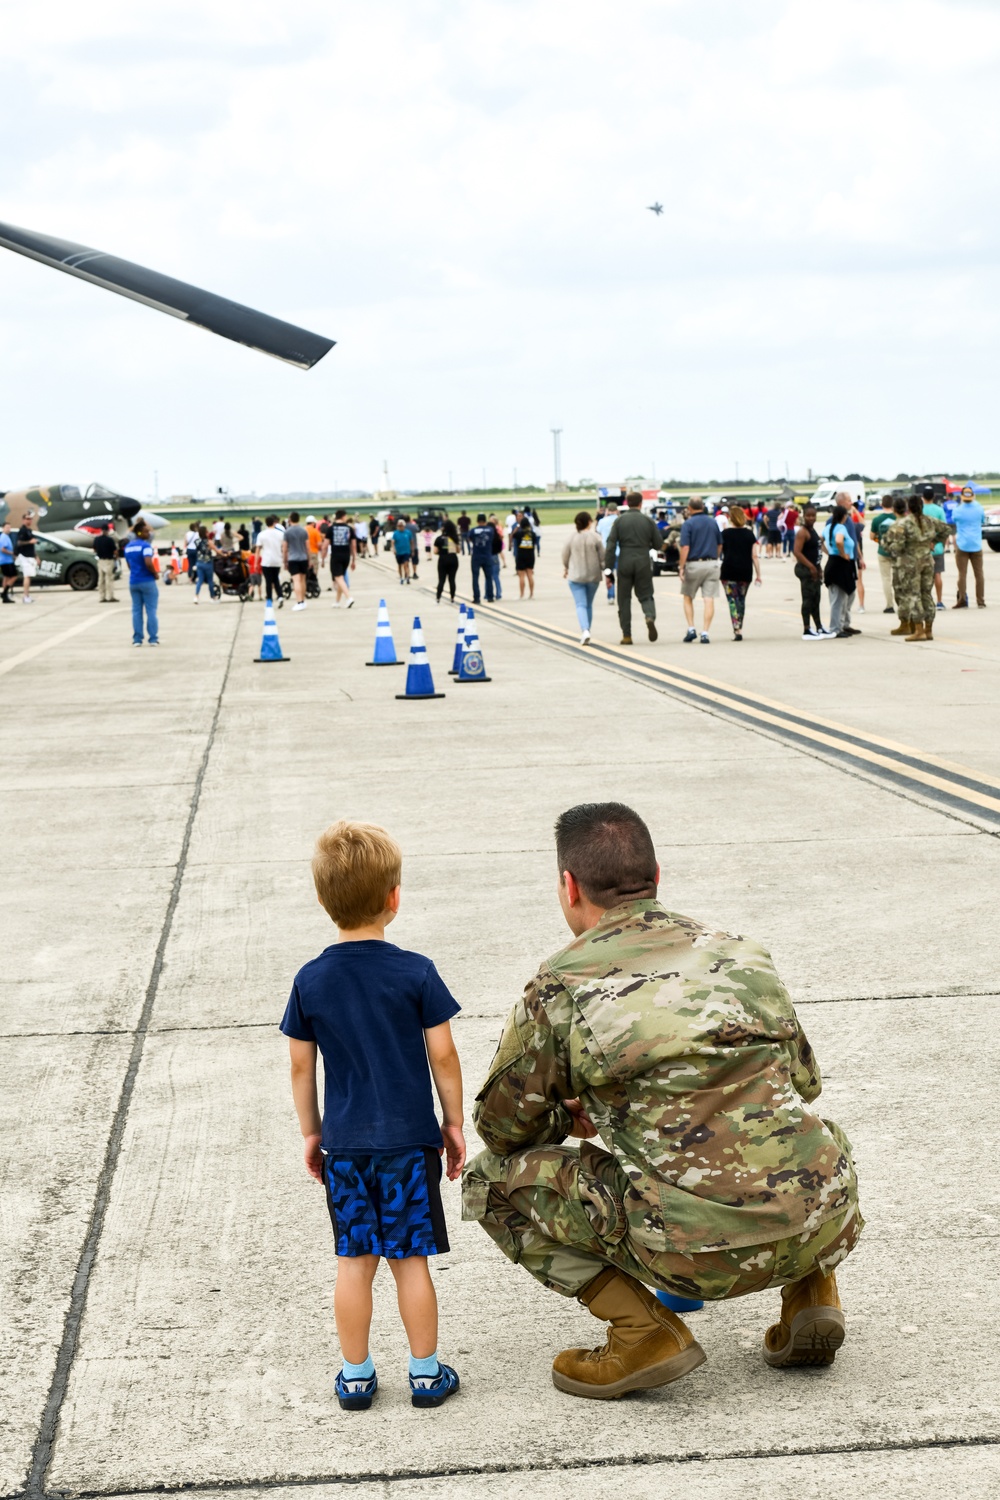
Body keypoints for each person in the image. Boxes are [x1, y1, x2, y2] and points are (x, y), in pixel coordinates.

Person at [463, 802, 862, 1399]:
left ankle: (640, 1332)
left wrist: (576, 1114)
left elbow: (501, 1129)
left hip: (693, 1256)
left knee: (488, 1183)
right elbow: (803, 1084)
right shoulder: (742, 954)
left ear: (569, 887)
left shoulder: (561, 986)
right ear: (657, 877)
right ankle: (811, 1291)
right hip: (822, 1221)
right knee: (808, 1131)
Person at [281, 820, 464, 1412]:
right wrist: (454, 1122)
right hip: (410, 1145)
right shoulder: (416, 971)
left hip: (346, 1146)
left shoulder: (310, 980)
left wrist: (313, 1131)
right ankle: (425, 1374)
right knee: (410, 1261)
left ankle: (356, 1377)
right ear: (394, 898)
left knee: (354, 1263)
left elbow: (301, 1068)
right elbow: (443, 1053)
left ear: (322, 900)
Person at [882, 494, 951, 642]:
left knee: (913, 595)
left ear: (909, 507)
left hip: (911, 563)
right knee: (926, 594)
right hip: (927, 560)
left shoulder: (904, 523)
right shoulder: (929, 520)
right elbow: (946, 529)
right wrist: (934, 541)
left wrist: (889, 546)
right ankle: (929, 629)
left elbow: (898, 546)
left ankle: (919, 629)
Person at [603, 493, 663, 645]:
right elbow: (658, 544)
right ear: (640, 503)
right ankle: (649, 616)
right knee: (646, 594)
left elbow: (610, 546)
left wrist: (608, 569)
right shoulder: (648, 521)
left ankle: (627, 635)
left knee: (624, 599)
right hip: (643, 561)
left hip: (624, 561)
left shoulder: (619, 521)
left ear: (627, 503)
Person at [678, 496, 721, 644]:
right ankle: (705, 632)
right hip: (711, 563)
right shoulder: (713, 522)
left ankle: (691, 628)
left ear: (689, 508)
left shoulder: (688, 524)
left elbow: (685, 547)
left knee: (688, 596)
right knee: (709, 599)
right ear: (702, 507)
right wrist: (716, 556)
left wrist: (681, 567)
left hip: (694, 564)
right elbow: (720, 543)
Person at [561, 512, 605, 645]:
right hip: (593, 576)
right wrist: (604, 569)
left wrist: (567, 567)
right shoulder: (596, 537)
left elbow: (565, 554)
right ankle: (587, 630)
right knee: (588, 605)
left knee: (580, 604)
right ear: (589, 522)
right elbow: (602, 556)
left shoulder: (571, 538)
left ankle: (584, 630)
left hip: (576, 575)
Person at [718, 506, 761, 641]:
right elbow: (754, 556)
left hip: (728, 571)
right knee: (741, 600)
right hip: (745, 571)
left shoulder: (725, 534)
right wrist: (758, 574)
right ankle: (739, 625)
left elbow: (718, 552)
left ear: (730, 518)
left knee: (732, 600)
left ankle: (737, 628)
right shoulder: (749, 534)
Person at [792, 505, 830, 639]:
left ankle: (819, 626)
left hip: (814, 570)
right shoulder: (802, 532)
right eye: (808, 516)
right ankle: (806, 629)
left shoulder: (812, 530)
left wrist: (818, 567)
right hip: (805, 570)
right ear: (803, 516)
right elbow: (797, 552)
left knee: (816, 599)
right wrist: (811, 567)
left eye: (813, 515)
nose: (811, 518)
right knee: (808, 600)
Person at [822, 504, 859, 639]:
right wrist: (842, 554)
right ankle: (835, 628)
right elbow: (839, 541)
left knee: (846, 596)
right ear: (844, 516)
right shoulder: (841, 528)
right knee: (838, 599)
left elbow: (819, 542)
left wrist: (829, 553)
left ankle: (842, 624)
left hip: (836, 563)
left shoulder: (827, 528)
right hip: (840, 564)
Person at [124, 520, 159, 645]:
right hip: (147, 581)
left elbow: (129, 565)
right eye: (146, 531)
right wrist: (154, 574)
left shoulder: (128, 547)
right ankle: (153, 638)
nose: (148, 533)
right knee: (151, 611)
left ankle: (137, 639)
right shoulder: (145, 546)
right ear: (139, 533)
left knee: (136, 611)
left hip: (134, 581)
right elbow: (148, 562)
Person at [953, 485, 986, 609]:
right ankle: (980, 600)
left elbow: (955, 520)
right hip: (976, 544)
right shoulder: (979, 508)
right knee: (979, 574)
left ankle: (962, 600)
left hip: (962, 545)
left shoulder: (958, 510)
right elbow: (982, 520)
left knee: (962, 574)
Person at [917, 486, 948, 611]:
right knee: (937, 574)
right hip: (938, 548)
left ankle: (925, 601)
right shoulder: (939, 510)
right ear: (934, 497)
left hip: (922, 549)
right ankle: (939, 601)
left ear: (922, 497)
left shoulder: (920, 510)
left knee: (922, 577)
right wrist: (942, 544)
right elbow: (944, 529)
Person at [869, 497, 898, 614]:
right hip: (896, 552)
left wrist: (880, 541)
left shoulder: (877, 520)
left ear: (881, 504)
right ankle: (900, 603)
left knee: (886, 579)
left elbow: (871, 536)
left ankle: (889, 604)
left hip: (883, 551)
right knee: (897, 578)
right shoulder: (897, 518)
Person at [328, 510, 357, 609]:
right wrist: (354, 560)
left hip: (336, 555)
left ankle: (349, 597)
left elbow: (325, 545)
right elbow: (353, 545)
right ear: (343, 517)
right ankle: (337, 601)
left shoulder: (331, 528)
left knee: (338, 578)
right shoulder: (349, 528)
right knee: (341, 578)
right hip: (346, 556)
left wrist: (323, 558)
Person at [283, 511, 310, 610]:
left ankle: (299, 602)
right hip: (303, 558)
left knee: (296, 581)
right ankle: (303, 600)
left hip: (293, 558)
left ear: (290, 519)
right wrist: (309, 559)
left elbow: (285, 548)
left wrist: (285, 561)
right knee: (303, 580)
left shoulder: (287, 532)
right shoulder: (304, 531)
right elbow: (307, 547)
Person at [255, 515, 285, 606]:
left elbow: (258, 550)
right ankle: (280, 596)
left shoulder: (261, 534)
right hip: (277, 559)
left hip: (266, 560)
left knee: (268, 581)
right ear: (274, 523)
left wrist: (256, 563)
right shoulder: (280, 534)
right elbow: (283, 547)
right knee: (276, 579)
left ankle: (269, 599)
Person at [469, 513, 495, 604]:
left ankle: (477, 597)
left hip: (476, 555)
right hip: (487, 555)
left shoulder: (473, 530)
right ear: (485, 521)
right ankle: (490, 596)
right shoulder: (490, 530)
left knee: (475, 577)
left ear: (477, 521)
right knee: (488, 577)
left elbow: (470, 538)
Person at [595, 502, 618, 605]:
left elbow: (598, 531)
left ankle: (611, 595)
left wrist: (605, 516)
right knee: (621, 575)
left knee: (609, 575)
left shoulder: (602, 521)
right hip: (619, 551)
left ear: (608, 510)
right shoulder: (620, 520)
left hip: (607, 552)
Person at [510, 511, 537, 599]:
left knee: (521, 576)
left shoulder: (519, 534)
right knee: (530, 575)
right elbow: (535, 543)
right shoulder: (532, 534)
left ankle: (522, 594)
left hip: (521, 555)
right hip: (530, 555)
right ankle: (532, 594)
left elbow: (512, 536)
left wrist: (517, 528)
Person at [14, 513, 39, 603]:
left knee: (29, 576)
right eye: (27, 519)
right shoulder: (22, 530)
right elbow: (19, 543)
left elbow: (33, 545)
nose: (29, 520)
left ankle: (27, 595)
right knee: (27, 576)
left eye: (30, 519)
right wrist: (29, 542)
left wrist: (36, 556)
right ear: (23, 520)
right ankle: (25, 596)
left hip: (30, 556)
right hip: (24, 556)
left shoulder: (29, 531)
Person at [434, 520, 460, 602]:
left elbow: (435, 551)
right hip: (453, 559)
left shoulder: (439, 539)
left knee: (441, 579)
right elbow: (458, 550)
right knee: (452, 579)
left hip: (443, 559)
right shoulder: (454, 538)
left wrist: (442, 551)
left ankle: (438, 597)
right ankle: (452, 597)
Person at [191, 526, 218, 602]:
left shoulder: (197, 541)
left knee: (200, 580)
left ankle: (196, 596)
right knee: (210, 581)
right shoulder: (209, 542)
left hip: (199, 563)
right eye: (207, 531)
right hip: (208, 563)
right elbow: (216, 550)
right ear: (205, 533)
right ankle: (212, 596)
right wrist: (223, 554)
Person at [391, 519, 414, 585]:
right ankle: (401, 577)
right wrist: (394, 549)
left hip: (406, 551)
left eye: (401, 526)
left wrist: (412, 550)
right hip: (399, 552)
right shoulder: (395, 533)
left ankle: (407, 577)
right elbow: (393, 542)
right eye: (399, 526)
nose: (400, 527)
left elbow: (411, 541)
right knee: (399, 565)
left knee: (405, 565)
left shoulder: (408, 532)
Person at [487, 514, 504, 600]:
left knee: (488, 576)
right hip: (495, 556)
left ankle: (487, 593)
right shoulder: (497, 536)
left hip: (488, 556)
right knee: (496, 576)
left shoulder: (487, 537)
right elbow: (500, 547)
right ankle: (498, 593)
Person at [0, 520, 17, 603]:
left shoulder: (7, 537)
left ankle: (5, 596)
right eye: (7, 527)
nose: (9, 529)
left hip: (8, 560)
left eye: (9, 527)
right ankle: (4, 592)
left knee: (6, 577)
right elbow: (2, 549)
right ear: (3, 528)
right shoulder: (3, 537)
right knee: (14, 576)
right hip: (6, 561)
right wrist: (12, 553)